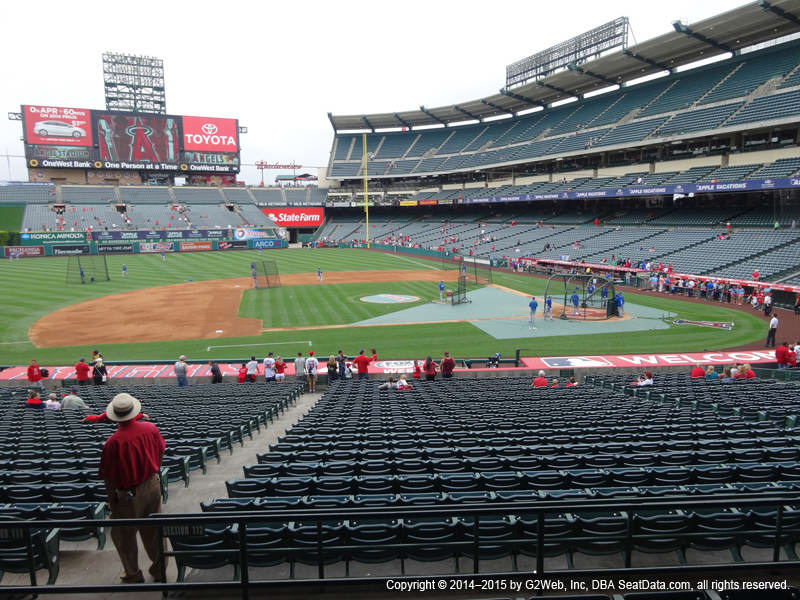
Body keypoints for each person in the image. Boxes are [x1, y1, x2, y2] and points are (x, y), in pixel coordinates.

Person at [98, 393, 166, 584]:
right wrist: (155, 472)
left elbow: (110, 479)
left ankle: (133, 574)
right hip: (153, 484)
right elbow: (161, 451)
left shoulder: (113, 442)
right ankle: (160, 570)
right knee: (155, 530)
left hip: (129, 495)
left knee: (123, 535)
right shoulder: (151, 428)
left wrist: (112, 502)